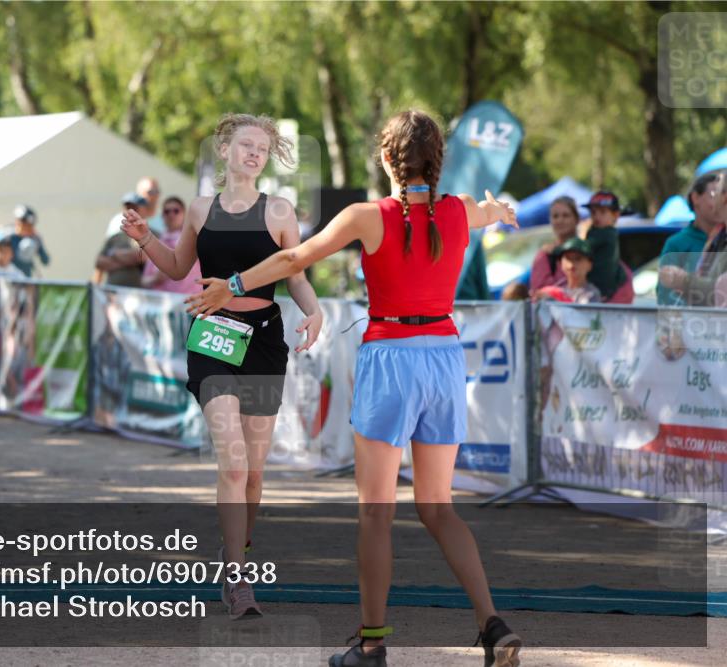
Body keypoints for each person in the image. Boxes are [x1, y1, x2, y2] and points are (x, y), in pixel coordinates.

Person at [182, 110, 522, 666]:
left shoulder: (369, 216)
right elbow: (487, 211)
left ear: (386, 159)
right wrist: (500, 211)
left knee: (375, 514)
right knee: (439, 508)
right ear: (438, 162)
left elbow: (297, 258)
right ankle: (492, 623)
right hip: (443, 359)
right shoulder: (459, 212)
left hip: (392, 358)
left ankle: (372, 644)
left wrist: (235, 285)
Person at [121, 113, 323, 620]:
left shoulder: (278, 210)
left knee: (254, 474)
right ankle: (238, 581)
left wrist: (314, 310)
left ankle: (236, 552)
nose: (255, 153)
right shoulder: (199, 208)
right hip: (212, 337)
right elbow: (176, 267)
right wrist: (146, 238)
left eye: (262, 147)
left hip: (263, 341)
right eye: (246, 145)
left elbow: (293, 271)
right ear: (226, 151)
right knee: (232, 462)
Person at [659, 172, 727, 305]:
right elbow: (666, 296)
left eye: (715, 193)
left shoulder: (718, 237)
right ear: (695, 198)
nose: (713, 201)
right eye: (711, 194)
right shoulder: (717, 238)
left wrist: (685, 281)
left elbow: (721, 292)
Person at [141, 196, 202, 293]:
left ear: (184, 214)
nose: (171, 214)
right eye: (167, 211)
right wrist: (156, 279)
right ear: (162, 215)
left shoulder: (196, 239)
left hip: (191, 302)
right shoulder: (157, 242)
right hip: (163, 303)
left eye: (176, 211)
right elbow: (144, 281)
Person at [580, 190, 628, 301]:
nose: (597, 216)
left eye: (602, 212)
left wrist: (582, 233)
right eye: (593, 213)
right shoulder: (605, 232)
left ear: (616, 215)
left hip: (599, 289)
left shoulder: (606, 233)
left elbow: (582, 247)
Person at [95, 193, 149, 287]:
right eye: (127, 208)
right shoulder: (115, 236)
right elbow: (99, 262)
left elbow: (142, 257)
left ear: (143, 210)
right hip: (113, 292)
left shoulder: (151, 234)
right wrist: (127, 260)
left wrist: (116, 254)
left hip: (138, 293)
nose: (130, 212)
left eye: (134, 208)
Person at [533, 238, 602, 304]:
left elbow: (581, 314)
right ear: (561, 264)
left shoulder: (592, 294)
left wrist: (551, 301)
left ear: (589, 265)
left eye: (578, 259)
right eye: (568, 258)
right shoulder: (556, 289)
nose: (572, 263)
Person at [9, 205, 50, 277]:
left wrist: (38, 244)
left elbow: (45, 261)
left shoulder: (34, 239)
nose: (27, 228)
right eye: (24, 224)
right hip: (8, 279)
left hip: (26, 279)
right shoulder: (7, 237)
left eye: (30, 225)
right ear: (17, 222)